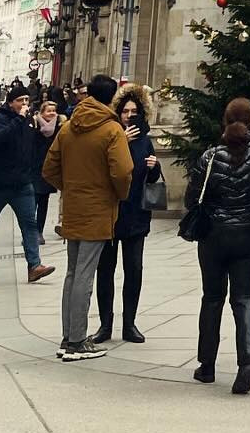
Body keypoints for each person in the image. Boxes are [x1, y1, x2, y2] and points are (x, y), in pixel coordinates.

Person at [187, 97, 250, 393]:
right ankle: (247, 363)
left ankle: (207, 365)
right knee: (244, 298)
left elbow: (192, 198)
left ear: (225, 121)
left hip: (214, 234)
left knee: (212, 298)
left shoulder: (209, 156)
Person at [40, 73, 133, 361]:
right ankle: (78, 341)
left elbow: (49, 168)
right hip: (98, 207)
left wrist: (70, 187)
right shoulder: (111, 129)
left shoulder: (68, 127)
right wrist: (118, 194)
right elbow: (122, 171)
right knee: (85, 274)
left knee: (72, 273)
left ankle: (68, 336)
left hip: (75, 206)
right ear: (112, 98)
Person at [93, 86, 161, 343]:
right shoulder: (111, 135)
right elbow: (101, 169)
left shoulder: (145, 139)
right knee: (105, 269)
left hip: (136, 215)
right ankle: (105, 324)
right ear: (118, 113)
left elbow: (151, 177)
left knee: (134, 270)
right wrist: (121, 141)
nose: (129, 116)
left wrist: (155, 168)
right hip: (111, 212)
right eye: (125, 111)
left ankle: (130, 324)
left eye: (134, 112)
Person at [0, 89, 57, 286]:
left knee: (29, 224)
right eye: (20, 100)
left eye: (27, 100)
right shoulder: (0, 120)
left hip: (22, 183)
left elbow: (33, 145)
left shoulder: (29, 121)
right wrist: (19, 120)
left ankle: (34, 266)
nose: (24, 103)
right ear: (10, 103)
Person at [31, 99, 65, 239]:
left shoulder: (60, 126)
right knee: (32, 203)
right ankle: (30, 232)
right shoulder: (34, 124)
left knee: (43, 201)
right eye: (48, 111)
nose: (52, 113)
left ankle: (39, 232)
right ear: (42, 112)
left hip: (49, 168)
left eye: (53, 111)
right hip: (34, 167)